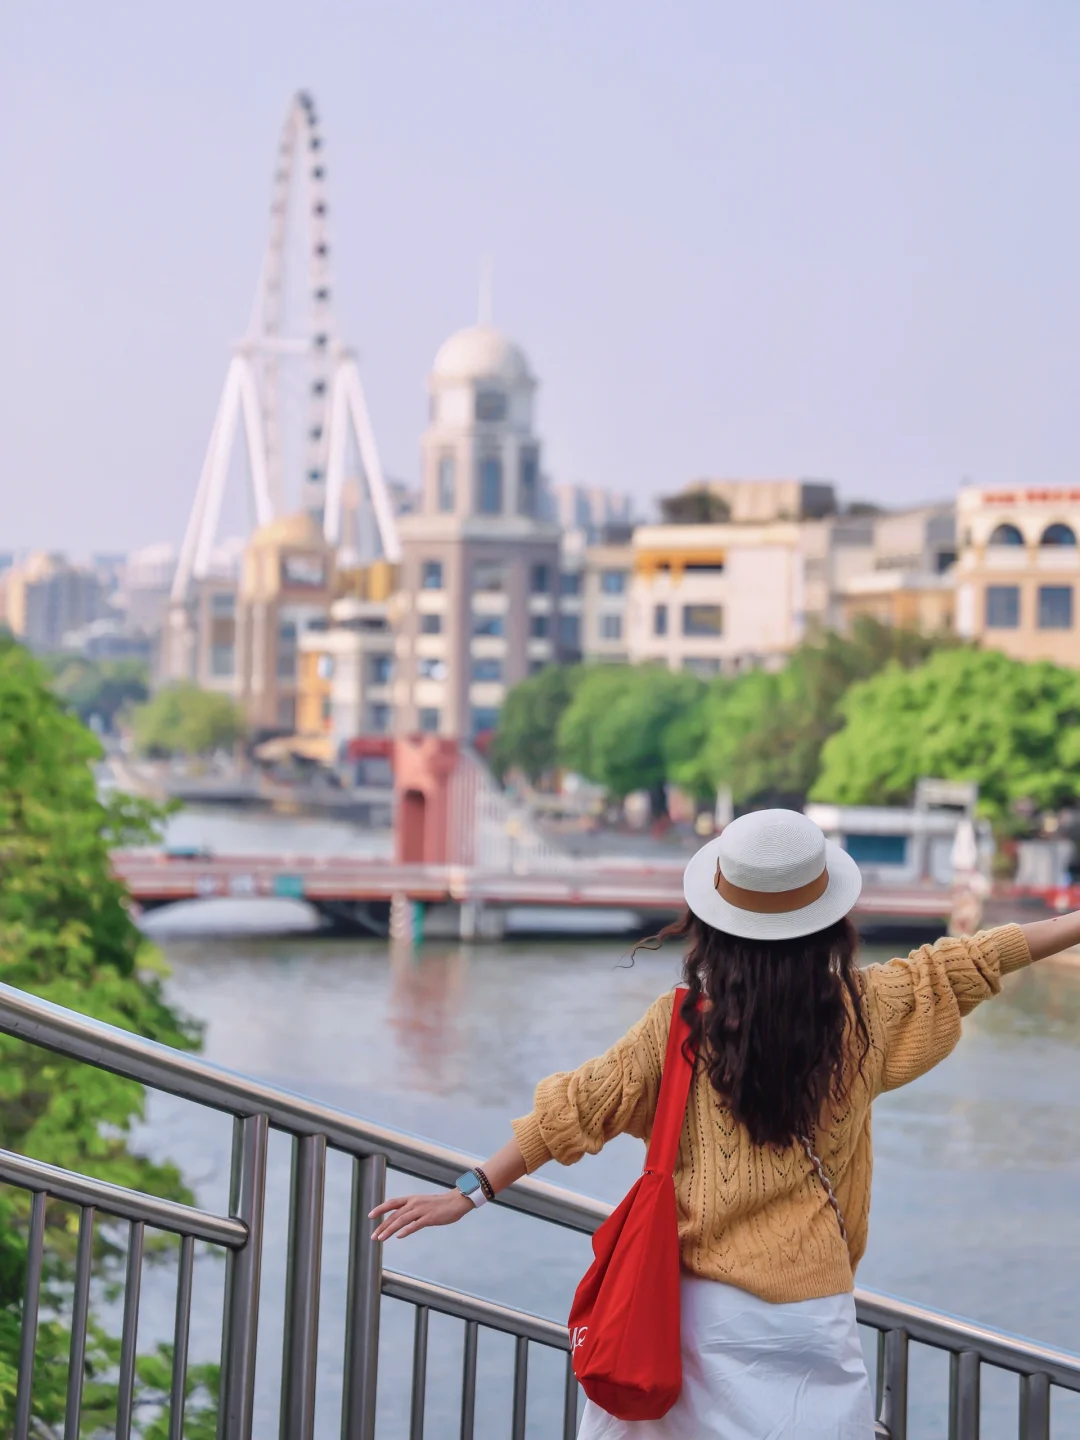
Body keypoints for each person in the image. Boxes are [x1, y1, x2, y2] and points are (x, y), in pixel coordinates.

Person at [370, 809, 1077, 1438]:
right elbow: (973, 959)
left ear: (713, 922)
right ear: (830, 921)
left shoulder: (675, 1030)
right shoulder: (869, 1014)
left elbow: (573, 1113)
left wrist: (468, 1190)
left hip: (685, 1322)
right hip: (809, 1319)